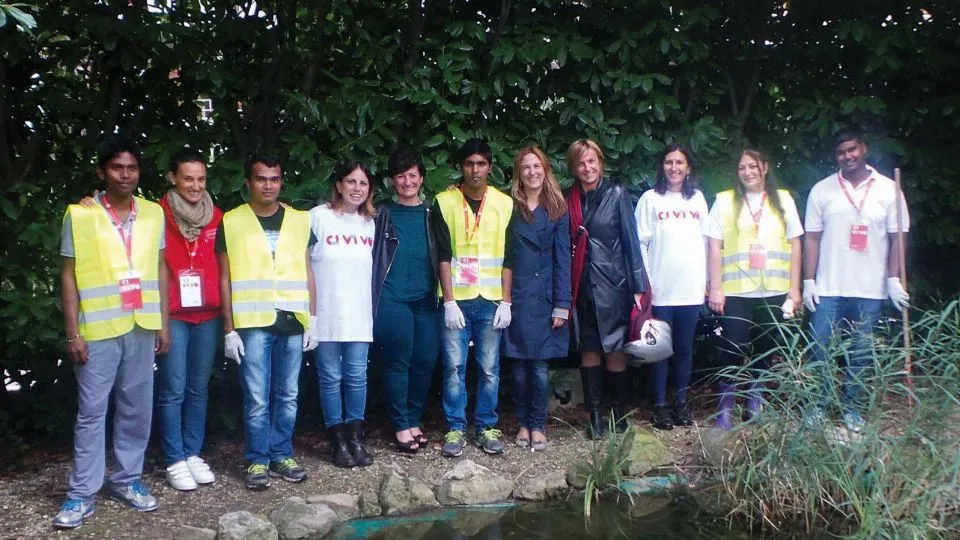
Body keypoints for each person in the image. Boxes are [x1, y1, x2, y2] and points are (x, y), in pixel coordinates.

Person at [55, 136, 170, 529]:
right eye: (117, 167)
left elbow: (159, 269)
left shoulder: (154, 213)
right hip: (99, 328)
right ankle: (81, 493)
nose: (125, 174)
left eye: (132, 168)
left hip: (141, 325)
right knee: (91, 412)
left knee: (137, 409)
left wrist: (163, 323)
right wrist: (73, 333)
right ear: (102, 172)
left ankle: (127, 480)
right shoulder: (81, 214)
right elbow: (68, 276)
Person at [217, 153, 318, 490]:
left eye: (274, 179)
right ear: (249, 182)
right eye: (261, 178)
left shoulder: (299, 220)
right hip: (253, 321)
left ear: (281, 181)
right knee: (258, 397)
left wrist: (313, 318)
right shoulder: (232, 221)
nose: (269, 185)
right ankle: (258, 460)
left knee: (288, 394)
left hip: (292, 318)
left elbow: (308, 270)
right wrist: (229, 329)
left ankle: (281, 453)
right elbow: (225, 278)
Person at [803, 128, 909, 433]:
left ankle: (852, 410)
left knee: (861, 353)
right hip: (829, 287)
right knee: (820, 349)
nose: (848, 156)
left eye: (852, 149)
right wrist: (809, 280)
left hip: (871, 288)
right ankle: (817, 407)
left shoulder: (889, 189)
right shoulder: (822, 190)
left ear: (864, 148)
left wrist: (893, 278)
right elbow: (812, 238)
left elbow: (898, 237)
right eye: (841, 152)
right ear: (835, 156)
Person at [706, 149, 803, 430]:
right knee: (731, 348)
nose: (747, 172)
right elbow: (714, 245)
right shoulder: (724, 201)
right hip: (736, 290)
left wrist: (794, 290)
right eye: (742, 167)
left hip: (773, 289)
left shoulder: (783, 200)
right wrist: (715, 288)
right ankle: (725, 406)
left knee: (765, 348)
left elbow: (796, 243)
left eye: (753, 166)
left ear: (765, 167)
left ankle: (755, 401)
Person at [432, 138, 513, 457]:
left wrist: (507, 301)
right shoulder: (444, 201)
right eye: (469, 164)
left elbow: (510, 255)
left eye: (481, 164)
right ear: (460, 167)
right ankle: (455, 428)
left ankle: (486, 425)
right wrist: (448, 301)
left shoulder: (505, 203)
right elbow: (442, 253)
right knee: (453, 366)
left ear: (490, 167)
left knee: (490, 367)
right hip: (458, 300)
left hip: (491, 299)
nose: (475, 170)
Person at [566, 139, 649, 438]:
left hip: (614, 286)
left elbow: (631, 242)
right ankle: (596, 417)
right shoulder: (569, 199)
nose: (587, 168)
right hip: (583, 287)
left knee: (615, 351)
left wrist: (639, 286)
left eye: (592, 162)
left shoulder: (617, 193)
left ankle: (619, 414)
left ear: (600, 162)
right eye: (581, 163)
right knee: (589, 351)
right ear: (573, 168)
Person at [152, 149, 222, 490]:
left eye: (201, 179)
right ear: (173, 178)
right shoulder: (154, 215)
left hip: (208, 314)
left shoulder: (216, 216)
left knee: (198, 388)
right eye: (188, 178)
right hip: (175, 315)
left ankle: (193, 452)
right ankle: (174, 458)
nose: (195, 185)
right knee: (173, 389)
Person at [501, 146, 571, 451]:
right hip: (515, 295)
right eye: (526, 167)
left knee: (540, 368)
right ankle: (523, 424)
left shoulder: (557, 208)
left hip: (545, 299)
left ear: (546, 170)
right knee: (518, 369)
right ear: (519, 172)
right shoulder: (508, 207)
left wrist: (562, 303)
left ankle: (539, 425)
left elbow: (562, 260)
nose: (532, 172)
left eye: (537, 166)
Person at [634, 144, 708, 431]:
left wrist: (707, 283)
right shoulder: (650, 199)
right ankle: (660, 406)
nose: (674, 167)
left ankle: (680, 403)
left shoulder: (699, 200)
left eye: (680, 162)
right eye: (669, 162)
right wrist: (646, 282)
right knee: (659, 349)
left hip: (690, 289)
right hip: (661, 289)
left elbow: (706, 243)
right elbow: (640, 244)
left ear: (688, 167)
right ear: (661, 166)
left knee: (684, 348)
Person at [372, 149, 441, 455]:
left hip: (426, 297)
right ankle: (401, 425)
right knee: (398, 361)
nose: (407, 181)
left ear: (421, 178)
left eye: (412, 175)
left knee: (425, 360)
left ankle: (414, 419)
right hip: (392, 297)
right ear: (392, 181)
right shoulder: (382, 214)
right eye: (400, 176)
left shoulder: (431, 212)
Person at [310, 161, 377, 468]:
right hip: (325, 314)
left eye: (363, 183)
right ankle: (336, 440)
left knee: (356, 377)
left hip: (359, 315)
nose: (357, 189)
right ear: (338, 184)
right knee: (330, 378)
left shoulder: (369, 223)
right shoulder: (318, 218)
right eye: (351, 182)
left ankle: (356, 438)